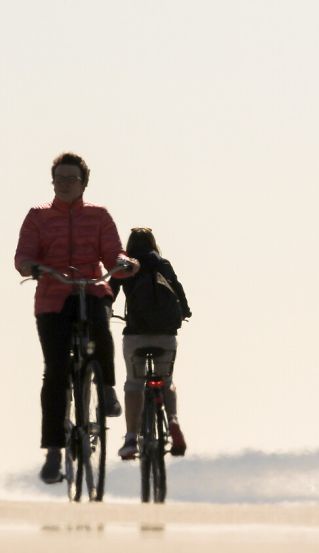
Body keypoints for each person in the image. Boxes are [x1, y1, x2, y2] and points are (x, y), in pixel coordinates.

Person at [14, 152, 139, 483]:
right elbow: (23, 255)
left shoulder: (98, 216)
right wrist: (31, 266)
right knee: (55, 372)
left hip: (90, 289)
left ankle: (107, 390)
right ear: (52, 181)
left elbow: (113, 253)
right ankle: (54, 451)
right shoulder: (37, 217)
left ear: (84, 183)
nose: (65, 184)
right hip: (52, 299)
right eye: (60, 179)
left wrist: (125, 262)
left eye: (72, 179)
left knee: (101, 326)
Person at [110, 228, 192, 459]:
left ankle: (131, 439)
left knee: (134, 384)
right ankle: (173, 421)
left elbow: (111, 293)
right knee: (166, 380)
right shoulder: (162, 264)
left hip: (135, 335)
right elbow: (177, 288)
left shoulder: (126, 266)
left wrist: (105, 311)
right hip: (165, 335)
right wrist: (185, 311)